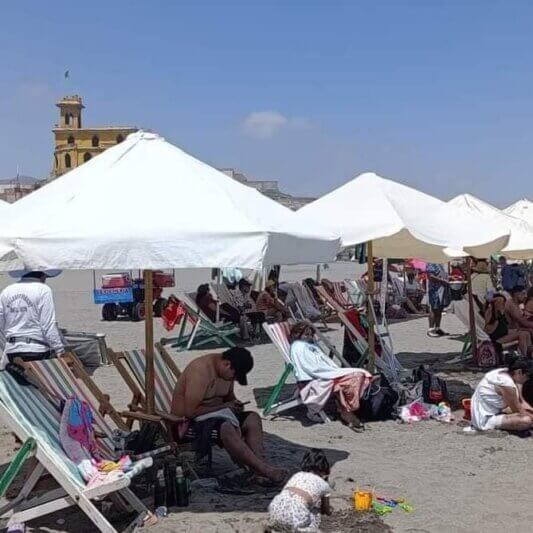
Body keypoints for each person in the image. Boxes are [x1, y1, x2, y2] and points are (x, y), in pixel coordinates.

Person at [171, 347, 287, 482]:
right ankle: (263, 469)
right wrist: (223, 406)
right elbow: (190, 411)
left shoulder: (226, 373)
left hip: (217, 416)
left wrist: (235, 404)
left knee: (253, 418)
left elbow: (229, 398)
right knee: (225, 427)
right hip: (187, 424)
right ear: (227, 364)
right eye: (234, 376)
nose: (234, 379)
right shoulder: (201, 371)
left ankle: (259, 466)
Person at [289, 322, 372, 430]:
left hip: (321, 375)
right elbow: (308, 367)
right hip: (312, 380)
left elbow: (319, 363)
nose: (309, 337)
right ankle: (346, 411)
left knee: (356, 375)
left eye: (310, 334)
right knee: (353, 378)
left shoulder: (309, 345)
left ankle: (347, 409)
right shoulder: (298, 346)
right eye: (306, 334)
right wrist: (330, 372)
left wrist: (332, 371)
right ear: (297, 334)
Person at [0, 270, 64, 365]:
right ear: (43, 275)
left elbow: (1, 324)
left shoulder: (7, 291)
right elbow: (48, 324)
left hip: (12, 350)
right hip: (37, 349)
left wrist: (5, 347)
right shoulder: (43, 289)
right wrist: (59, 349)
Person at [267, 449, 331, 532]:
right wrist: (328, 511)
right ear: (324, 469)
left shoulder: (297, 475)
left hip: (274, 509)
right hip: (296, 518)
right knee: (315, 514)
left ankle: (275, 527)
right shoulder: (324, 484)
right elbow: (325, 510)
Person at [471, 357, 533, 432]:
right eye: (529, 376)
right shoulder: (506, 384)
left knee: (528, 414)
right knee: (526, 420)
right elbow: (518, 410)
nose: (528, 379)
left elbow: (521, 402)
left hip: (495, 409)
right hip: (485, 418)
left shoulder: (507, 374)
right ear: (519, 372)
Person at [426, 263, 450, 337]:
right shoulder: (432, 263)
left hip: (441, 289)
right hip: (435, 290)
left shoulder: (441, 264)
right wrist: (442, 280)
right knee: (434, 308)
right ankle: (431, 329)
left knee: (440, 309)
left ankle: (437, 328)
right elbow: (430, 276)